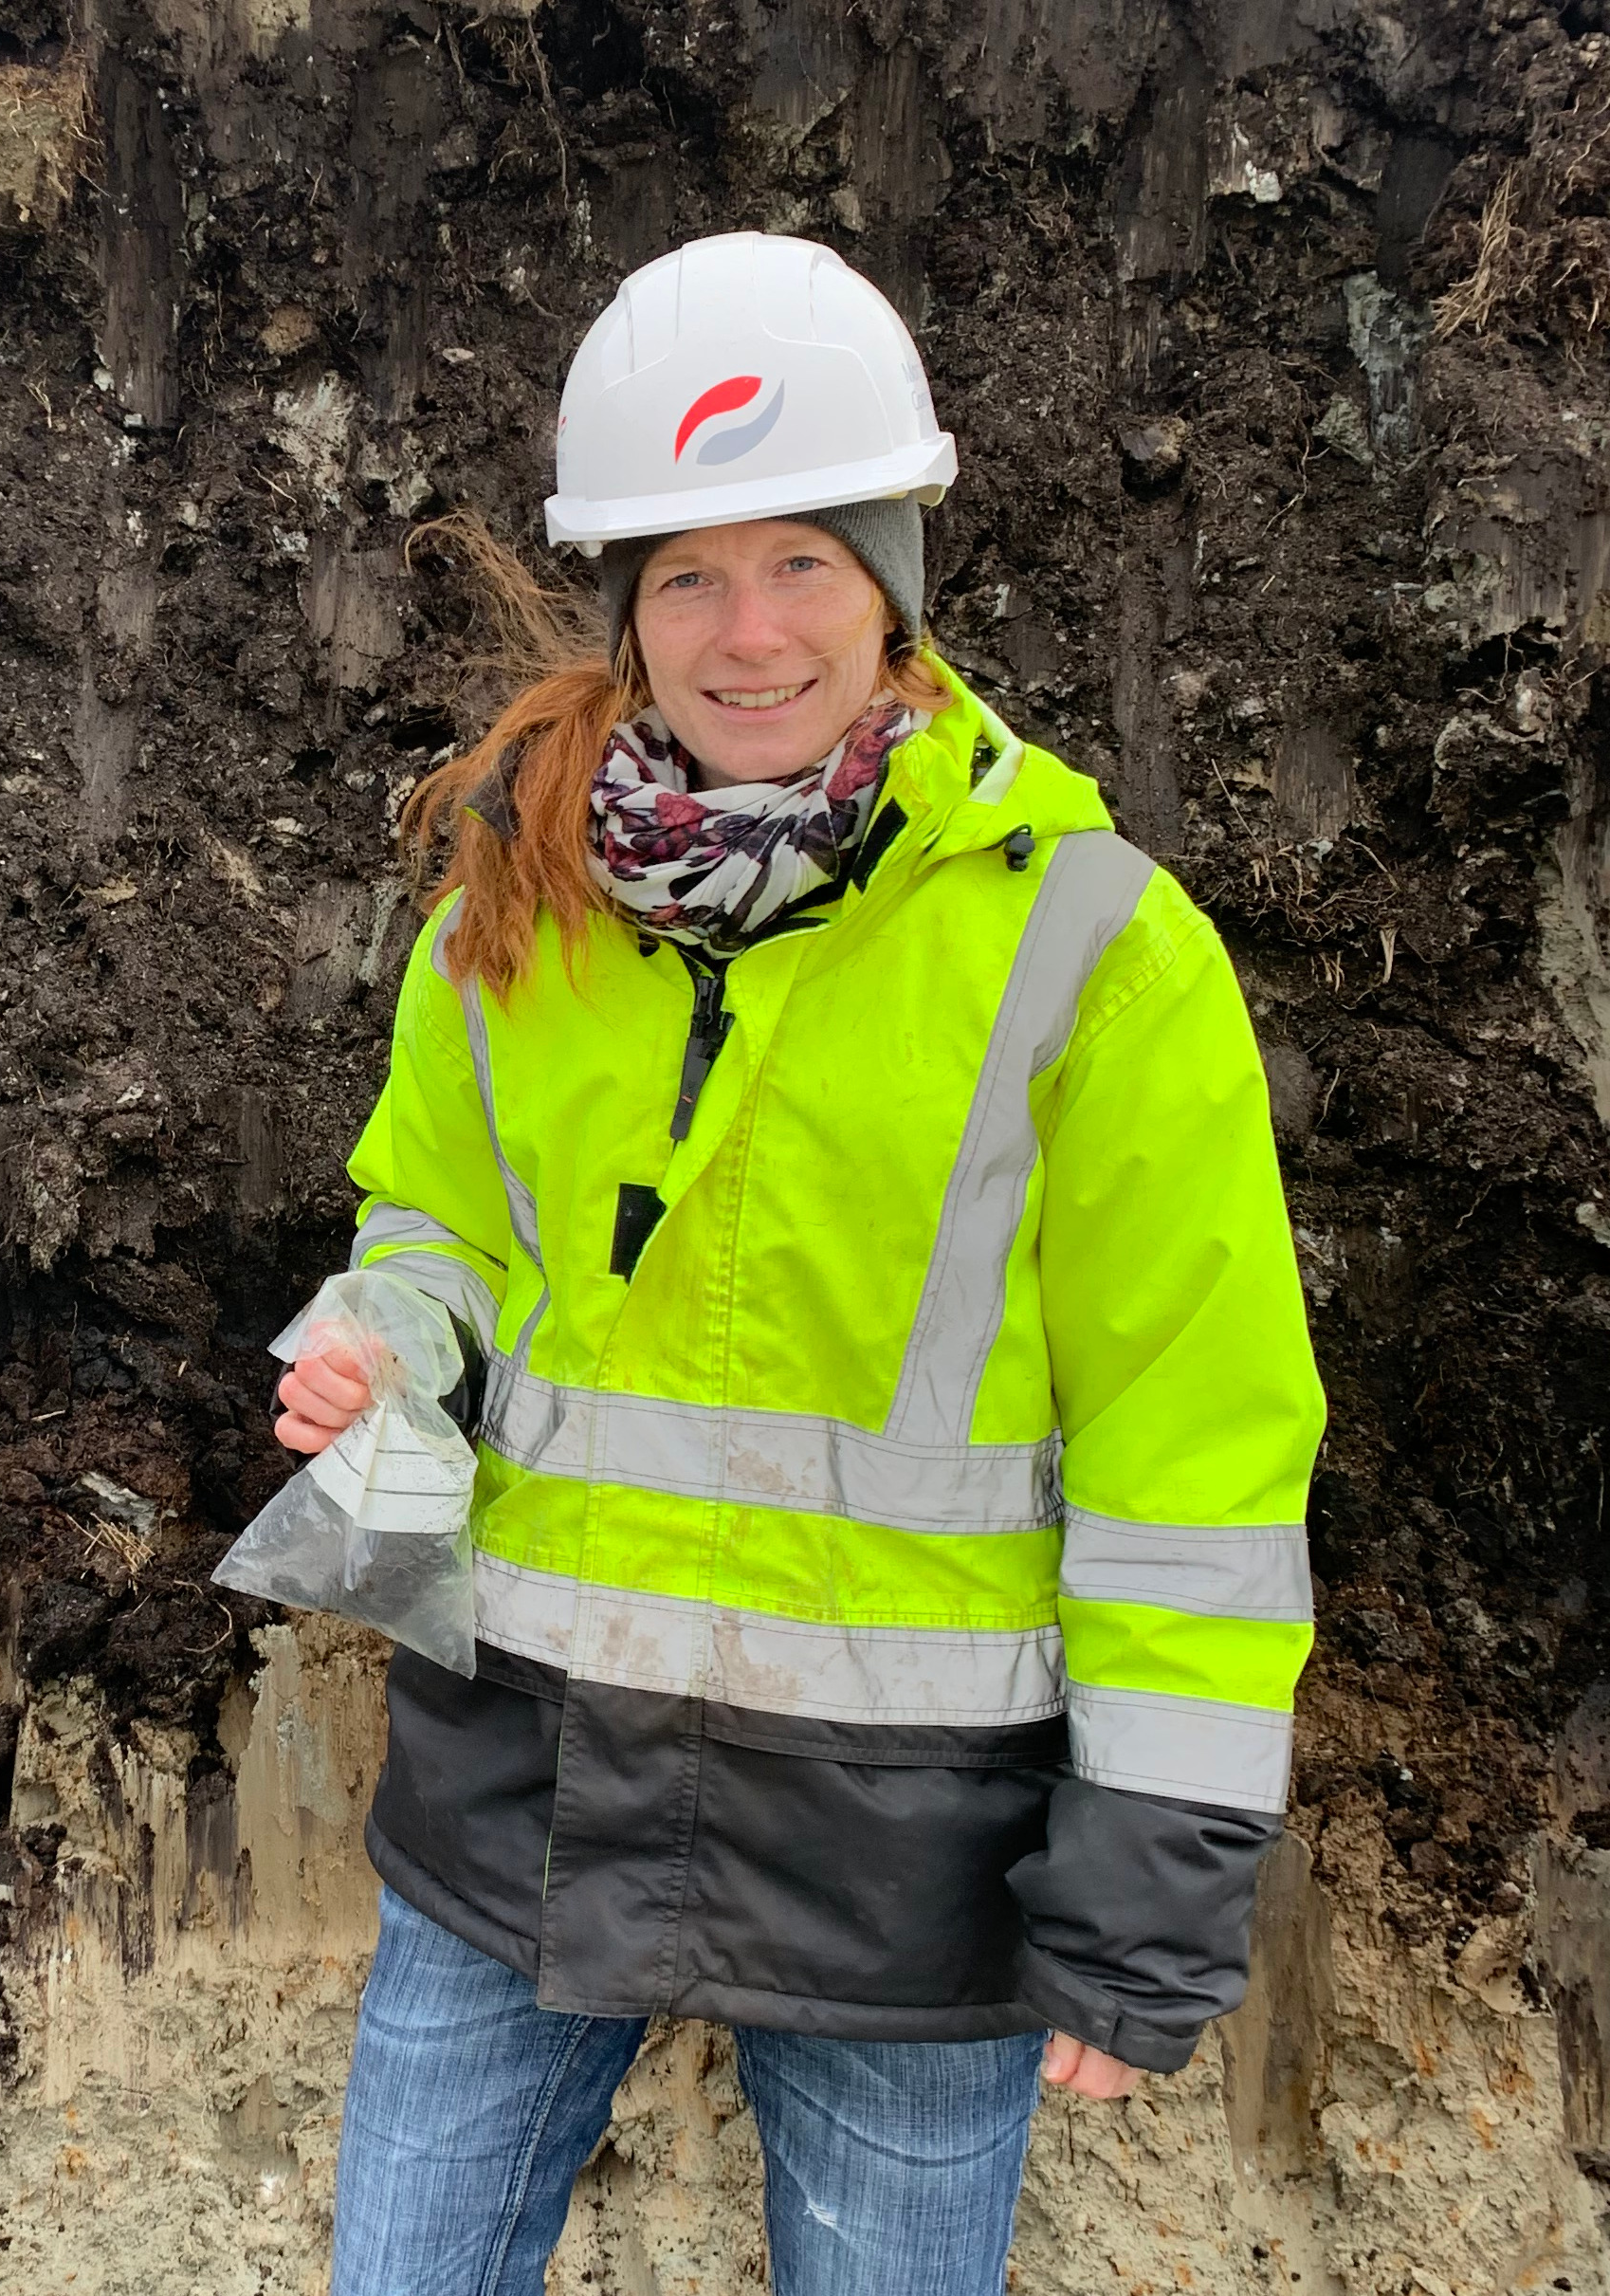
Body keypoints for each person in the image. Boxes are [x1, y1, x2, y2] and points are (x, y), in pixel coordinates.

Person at [270, 232, 1323, 2296]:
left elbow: (1193, 1445)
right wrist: (393, 1336)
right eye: (687, 575)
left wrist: (1150, 1885)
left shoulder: (1095, 946)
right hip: (529, 1779)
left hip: (903, 1852)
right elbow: (446, 1221)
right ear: (626, 608)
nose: (748, 634)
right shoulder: (521, 897)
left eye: (805, 565)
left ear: (897, 581)